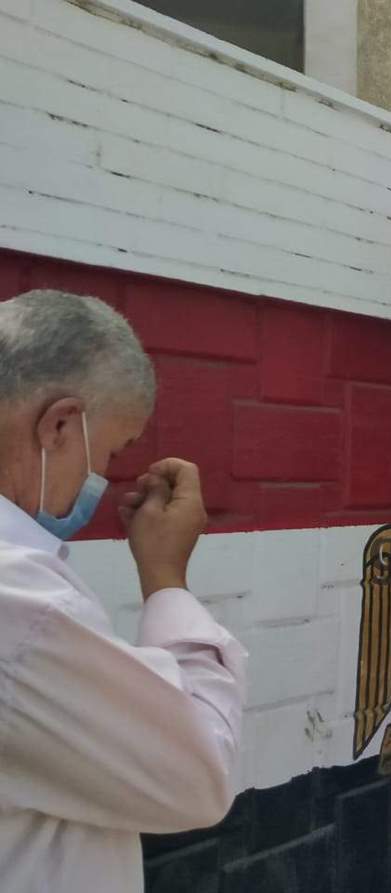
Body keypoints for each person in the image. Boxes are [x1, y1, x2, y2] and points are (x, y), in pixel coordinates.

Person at [0, 290, 246, 892]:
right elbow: (199, 777)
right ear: (60, 424)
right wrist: (166, 581)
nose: (102, 480)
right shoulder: (22, 603)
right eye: (108, 452)